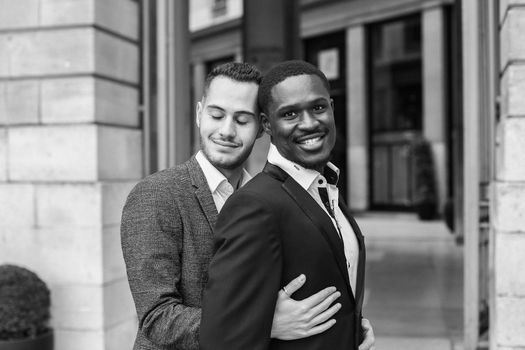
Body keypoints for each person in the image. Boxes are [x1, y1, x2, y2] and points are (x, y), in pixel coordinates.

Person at [120, 62, 345, 350]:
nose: (226, 131)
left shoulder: (274, 196)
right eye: (216, 115)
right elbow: (156, 317)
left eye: (242, 120)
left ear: (263, 127)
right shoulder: (156, 194)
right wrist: (260, 323)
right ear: (200, 114)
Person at [200, 60, 375, 350]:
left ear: (331, 108)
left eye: (318, 108)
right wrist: (265, 323)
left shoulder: (326, 189)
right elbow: (222, 339)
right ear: (267, 124)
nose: (308, 123)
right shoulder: (255, 205)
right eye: (290, 113)